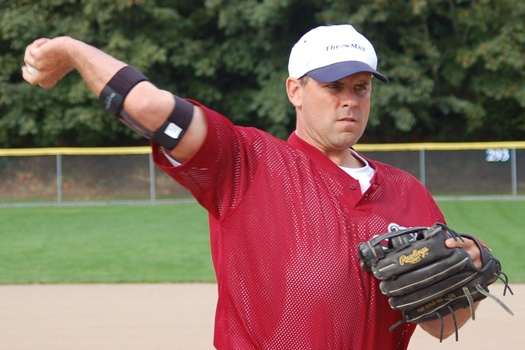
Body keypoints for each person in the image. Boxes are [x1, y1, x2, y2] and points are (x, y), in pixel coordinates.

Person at [23, 24, 485, 349]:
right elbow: (147, 106)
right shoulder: (247, 162)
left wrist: (466, 275)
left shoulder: (407, 192)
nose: (349, 99)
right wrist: (70, 50)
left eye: (361, 87)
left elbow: (444, 327)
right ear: (295, 90)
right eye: (333, 85)